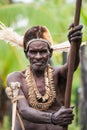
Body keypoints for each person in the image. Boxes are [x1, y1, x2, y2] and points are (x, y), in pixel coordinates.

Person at [5, 24, 83, 130]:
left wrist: (75, 45)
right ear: (26, 54)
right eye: (33, 52)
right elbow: (24, 110)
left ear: (50, 53)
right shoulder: (16, 78)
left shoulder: (58, 74)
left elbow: (71, 66)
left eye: (42, 51)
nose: (38, 57)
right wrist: (53, 118)